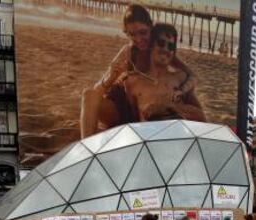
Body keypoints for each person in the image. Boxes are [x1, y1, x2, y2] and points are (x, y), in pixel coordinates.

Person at [80, 4, 197, 137]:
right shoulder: (127, 52)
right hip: (119, 107)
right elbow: (97, 90)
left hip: (144, 112)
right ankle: (86, 146)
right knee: (88, 95)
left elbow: (192, 75)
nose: (138, 39)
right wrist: (111, 77)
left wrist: (182, 91)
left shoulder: (159, 49)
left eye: (143, 32)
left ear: (151, 28)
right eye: (132, 34)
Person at [124, 23, 206, 122]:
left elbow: (201, 117)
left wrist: (169, 107)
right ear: (151, 45)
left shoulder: (180, 78)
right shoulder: (133, 82)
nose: (166, 49)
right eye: (161, 43)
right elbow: (131, 121)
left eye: (171, 46)